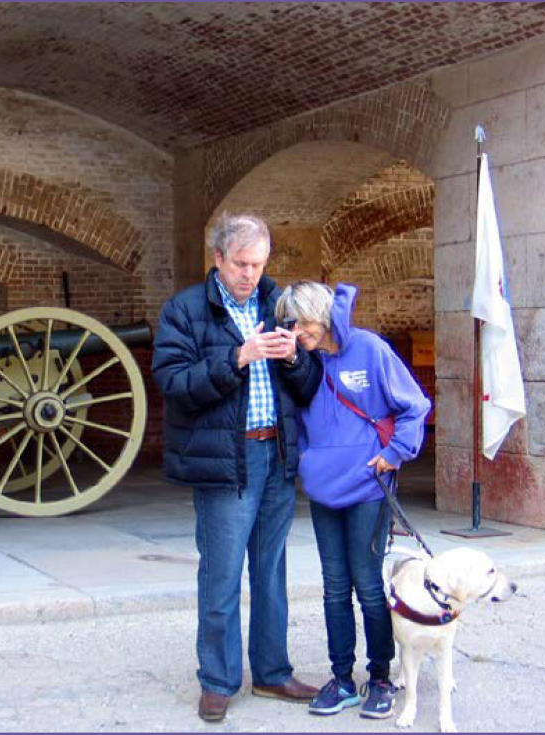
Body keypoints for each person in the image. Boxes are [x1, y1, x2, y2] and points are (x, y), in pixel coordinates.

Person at [151, 213, 323, 722]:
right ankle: (218, 681)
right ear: (219, 259)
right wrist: (239, 357)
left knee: (271, 571)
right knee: (222, 574)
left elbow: (309, 387)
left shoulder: (279, 306)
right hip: (228, 458)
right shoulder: (185, 310)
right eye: (242, 264)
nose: (251, 273)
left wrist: (295, 360)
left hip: (276, 454)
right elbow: (175, 385)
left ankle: (272, 673)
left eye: (259, 263)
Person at [274, 280, 431, 720]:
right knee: (333, 586)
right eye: (291, 322)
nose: (297, 330)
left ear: (321, 317)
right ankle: (341, 677)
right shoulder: (302, 361)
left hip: (368, 485)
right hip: (325, 487)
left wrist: (393, 454)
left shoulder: (369, 349)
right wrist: (307, 461)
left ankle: (380, 677)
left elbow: (414, 405)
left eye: (302, 322)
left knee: (367, 583)